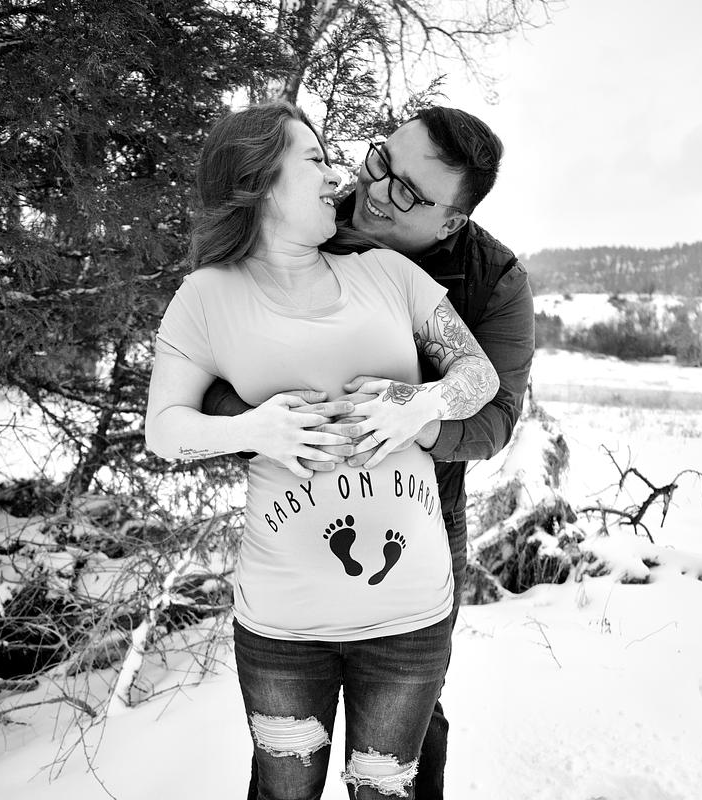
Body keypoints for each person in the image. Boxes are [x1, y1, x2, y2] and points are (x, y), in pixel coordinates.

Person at [145, 101, 501, 800]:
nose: (337, 176)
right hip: (284, 626)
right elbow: (165, 428)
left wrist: (421, 403)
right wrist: (253, 429)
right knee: (284, 793)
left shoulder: (389, 273)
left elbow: (479, 376)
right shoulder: (206, 297)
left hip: (409, 619)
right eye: (314, 160)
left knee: (385, 792)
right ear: (259, 180)